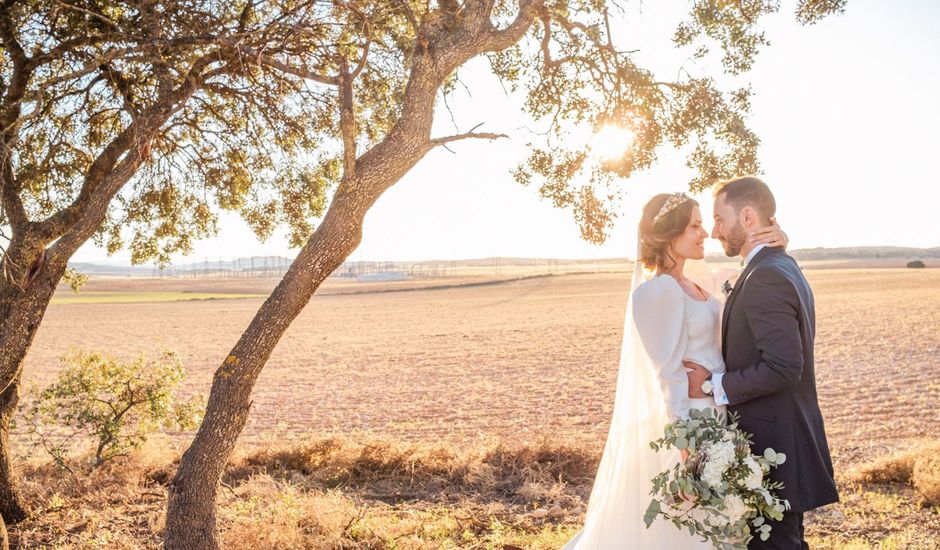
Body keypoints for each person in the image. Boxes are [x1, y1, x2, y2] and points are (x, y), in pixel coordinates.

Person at [562, 188, 788, 549]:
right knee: (690, 527)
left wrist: (777, 239)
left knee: (721, 525)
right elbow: (668, 375)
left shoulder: (698, 282)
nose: (706, 234)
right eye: (695, 226)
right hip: (693, 425)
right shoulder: (659, 292)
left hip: (721, 416)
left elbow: (753, 270)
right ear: (670, 235)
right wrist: (686, 449)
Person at [685, 176, 839, 549]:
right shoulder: (779, 265)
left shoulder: (766, 276)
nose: (715, 230)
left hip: (775, 444)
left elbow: (784, 367)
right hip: (781, 439)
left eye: (720, 219)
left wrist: (713, 385)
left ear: (748, 216)